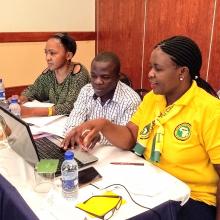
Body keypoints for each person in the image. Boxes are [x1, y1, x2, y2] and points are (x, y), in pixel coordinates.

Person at [62, 36, 220, 219]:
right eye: (151, 67)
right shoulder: (153, 98)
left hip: (192, 197)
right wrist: (103, 124)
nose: (150, 73)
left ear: (182, 72)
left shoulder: (210, 110)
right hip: (152, 184)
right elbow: (130, 137)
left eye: (158, 69)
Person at [63, 51, 141, 148]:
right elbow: (74, 118)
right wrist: (76, 133)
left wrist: (99, 136)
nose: (98, 81)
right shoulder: (86, 90)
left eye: (105, 77)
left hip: (116, 155)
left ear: (117, 77)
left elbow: (127, 141)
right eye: (94, 76)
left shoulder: (131, 100)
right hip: (88, 149)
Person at [9, 33, 90, 117]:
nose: (47, 58)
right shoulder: (50, 72)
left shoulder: (79, 74)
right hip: (55, 122)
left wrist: (31, 112)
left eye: (52, 53)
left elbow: (70, 107)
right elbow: (34, 90)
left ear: (68, 55)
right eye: (46, 53)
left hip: (77, 123)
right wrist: (21, 99)